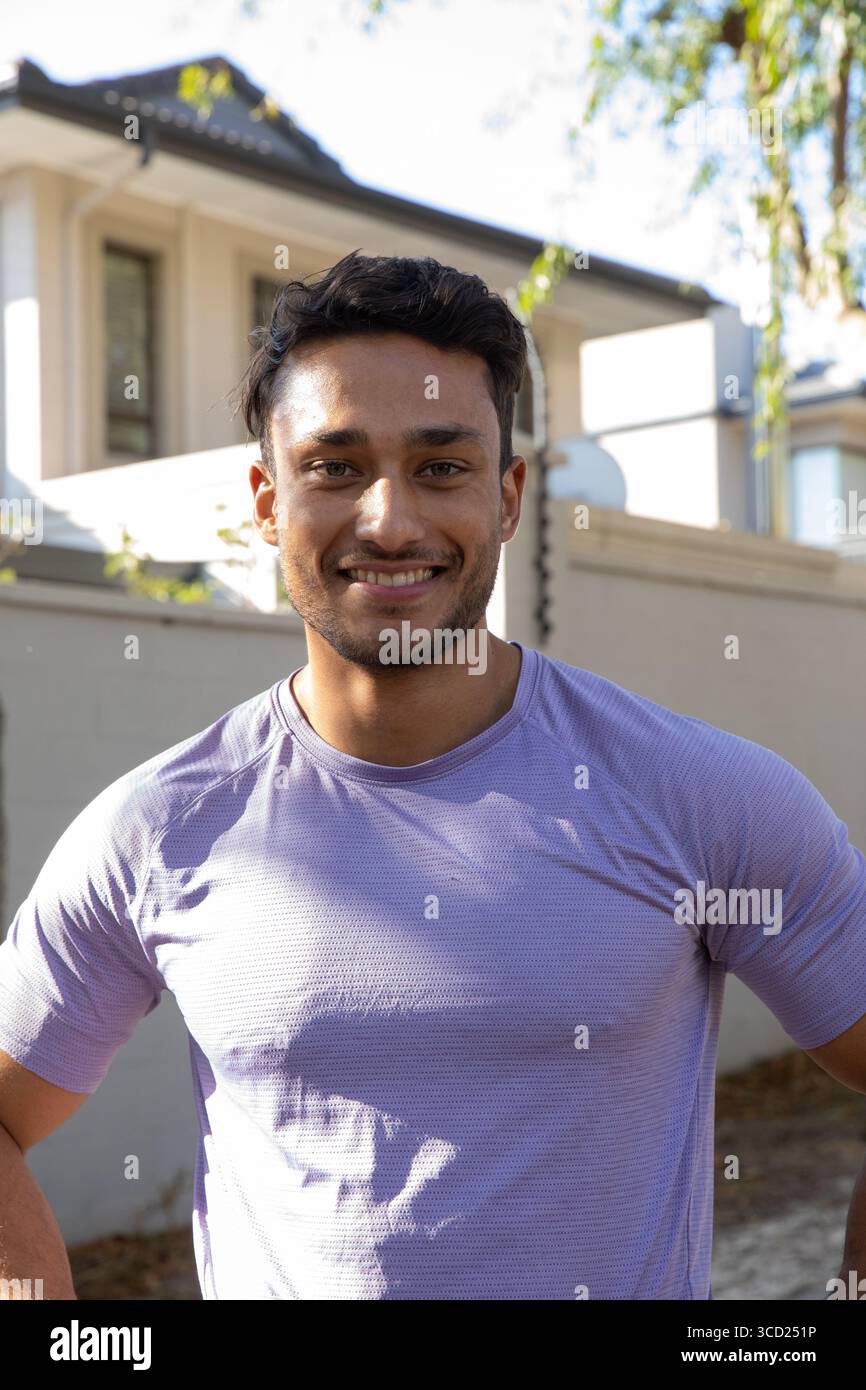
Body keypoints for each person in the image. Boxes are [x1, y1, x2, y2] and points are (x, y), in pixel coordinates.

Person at [2, 250, 866, 1301]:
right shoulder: (158, 829)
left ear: (505, 498)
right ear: (267, 502)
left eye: (440, 466)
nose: (390, 521)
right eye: (335, 466)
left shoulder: (700, 799)